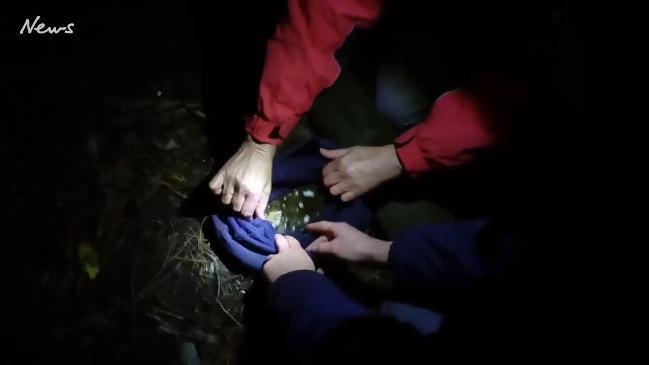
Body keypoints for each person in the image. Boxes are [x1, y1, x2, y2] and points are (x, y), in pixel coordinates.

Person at [208, 0, 534, 218]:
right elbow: (326, 13)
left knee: (398, 104)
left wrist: (403, 157)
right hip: (438, 29)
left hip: (500, 60)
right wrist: (263, 138)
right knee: (390, 95)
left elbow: (514, 99)